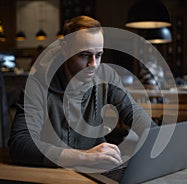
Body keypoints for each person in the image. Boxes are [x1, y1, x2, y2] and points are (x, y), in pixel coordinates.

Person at [8, 16, 157, 170]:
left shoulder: (106, 76)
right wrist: (85, 157)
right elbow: (21, 144)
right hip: (52, 172)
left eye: (98, 55)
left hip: (95, 170)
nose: (93, 64)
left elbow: (135, 113)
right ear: (65, 49)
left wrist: (159, 140)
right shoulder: (38, 83)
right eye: (84, 55)